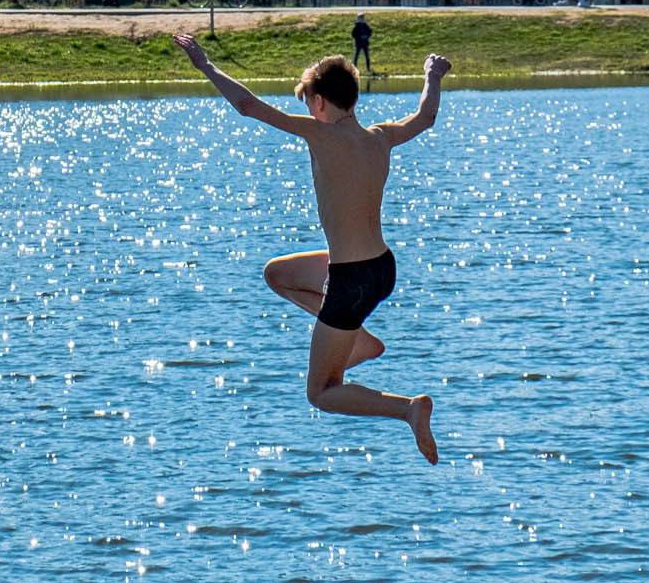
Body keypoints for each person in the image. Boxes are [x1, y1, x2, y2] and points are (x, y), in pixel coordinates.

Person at [175, 31, 446, 464]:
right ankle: (359, 342)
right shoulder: (380, 137)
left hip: (351, 281)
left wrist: (205, 66)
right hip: (381, 268)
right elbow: (425, 117)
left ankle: (408, 409)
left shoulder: (320, 135)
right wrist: (432, 74)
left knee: (321, 392)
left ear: (319, 103)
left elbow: (248, 105)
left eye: (307, 103)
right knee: (278, 275)